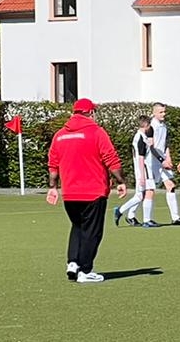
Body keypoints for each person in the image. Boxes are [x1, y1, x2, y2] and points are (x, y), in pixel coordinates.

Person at [46, 98, 127, 283]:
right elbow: (111, 158)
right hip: (93, 191)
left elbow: (53, 165)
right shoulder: (96, 132)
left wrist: (53, 188)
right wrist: (121, 181)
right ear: (90, 113)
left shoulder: (59, 135)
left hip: (70, 192)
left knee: (78, 227)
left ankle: (73, 263)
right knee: (92, 232)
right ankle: (85, 270)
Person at [144, 103, 180, 226]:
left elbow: (165, 145)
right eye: (160, 112)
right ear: (154, 113)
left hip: (162, 161)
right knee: (148, 191)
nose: (163, 114)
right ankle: (143, 219)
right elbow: (151, 147)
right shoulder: (151, 127)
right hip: (151, 162)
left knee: (171, 185)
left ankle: (175, 218)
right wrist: (162, 160)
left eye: (164, 112)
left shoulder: (164, 126)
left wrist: (168, 158)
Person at [115, 114, 152, 227]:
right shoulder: (140, 138)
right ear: (146, 125)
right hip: (142, 169)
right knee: (140, 196)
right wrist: (142, 175)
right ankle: (120, 210)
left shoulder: (139, 136)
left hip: (140, 169)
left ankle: (131, 216)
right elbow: (140, 158)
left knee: (141, 194)